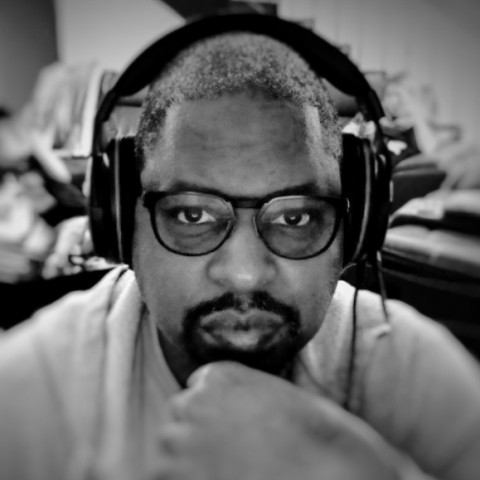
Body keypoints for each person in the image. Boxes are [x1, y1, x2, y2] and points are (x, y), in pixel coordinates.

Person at [0, 28, 480, 480]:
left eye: (296, 218)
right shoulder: (29, 392)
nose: (246, 274)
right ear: (121, 225)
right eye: (191, 215)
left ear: (356, 231)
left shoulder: (412, 369)